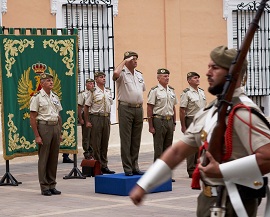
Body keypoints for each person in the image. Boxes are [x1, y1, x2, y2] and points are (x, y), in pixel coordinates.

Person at [129, 45, 270, 217]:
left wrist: (222, 171)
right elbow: (177, 151)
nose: (208, 73)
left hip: (234, 203)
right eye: (209, 67)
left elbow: (268, 156)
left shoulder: (243, 112)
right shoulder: (211, 111)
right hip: (208, 200)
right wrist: (145, 184)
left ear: (232, 74)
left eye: (215, 68)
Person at [113, 51, 146, 176]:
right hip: (125, 108)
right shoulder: (121, 73)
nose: (135, 61)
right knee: (126, 139)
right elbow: (115, 73)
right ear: (126, 61)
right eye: (133, 59)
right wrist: (125, 61)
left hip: (138, 108)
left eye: (136, 59)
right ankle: (127, 167)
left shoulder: (139, 74)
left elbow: (141, 90)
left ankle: (134, 165)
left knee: (136, 139)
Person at [30, 72, 62, 196]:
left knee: (54, 158)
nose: (51, 82)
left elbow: (58, 115)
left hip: (55, 127)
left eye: (51, 80)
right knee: (44, 157)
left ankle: (52, 184)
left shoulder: (55, 96)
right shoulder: (37, 97)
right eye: (48, 81)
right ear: (42, 83)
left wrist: (60, 131)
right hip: (44, 127)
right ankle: (44, 186)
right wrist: (37, 135)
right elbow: (32, 117)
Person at [84, 72, 115, 174]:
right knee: (96, 143)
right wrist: (87, 121)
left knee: (104, 142)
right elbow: (86, 106)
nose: (104, 79)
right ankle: (98, 166)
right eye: (101, 77)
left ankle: (104, 165)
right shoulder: (93, 92)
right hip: (96, 117)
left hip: (106, 117)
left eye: (104, 77)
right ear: (96, 79)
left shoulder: (108, 91)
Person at [180, 72, 207, 178]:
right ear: (189, 80)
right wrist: (183, 125)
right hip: (191, 120)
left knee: (200, 145)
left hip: (201, 120)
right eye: (195, 78)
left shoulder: (201, 92)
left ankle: (198, 167)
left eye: (198, 77)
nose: (198, 79)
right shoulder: (186, 93)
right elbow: (182, 110)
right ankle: (191, 169)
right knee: (191, 145)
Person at [147, 68, 177, 162]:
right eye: (165, 76)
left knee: (168, 149)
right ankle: (157, 172)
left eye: (168, 76)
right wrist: (150, 126)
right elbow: (149, 108)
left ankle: (167, 171)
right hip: (159, 120)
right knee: (159, 148)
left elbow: (173, 107)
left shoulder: (171, 90)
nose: (167, 78)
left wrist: (174, 123)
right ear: (158, 78)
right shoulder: (154, 90)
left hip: (169, 120)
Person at [78, 78, 95, 159]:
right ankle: (87, 151)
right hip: (85, 115)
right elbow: (79, 107)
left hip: (93, 115)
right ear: (86, 85)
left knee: (93, 135)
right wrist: (80, 119)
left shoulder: (95, 93)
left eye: (93, 83)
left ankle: (93, 151)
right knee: (86, 135)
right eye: (90, 83)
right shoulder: (83, 94)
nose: (92, 85)